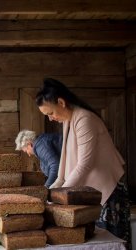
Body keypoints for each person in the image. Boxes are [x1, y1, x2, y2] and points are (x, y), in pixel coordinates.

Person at [35, 77, 130, 242]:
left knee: (110, 243)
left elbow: (84, 165)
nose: (50, 118)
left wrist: (59, 197)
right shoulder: (68, 121)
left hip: (109, 191)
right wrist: (50, 195)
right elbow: (63, 170)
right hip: (92, 192)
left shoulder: (84, 119)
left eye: (50, 113)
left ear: (61, 102)